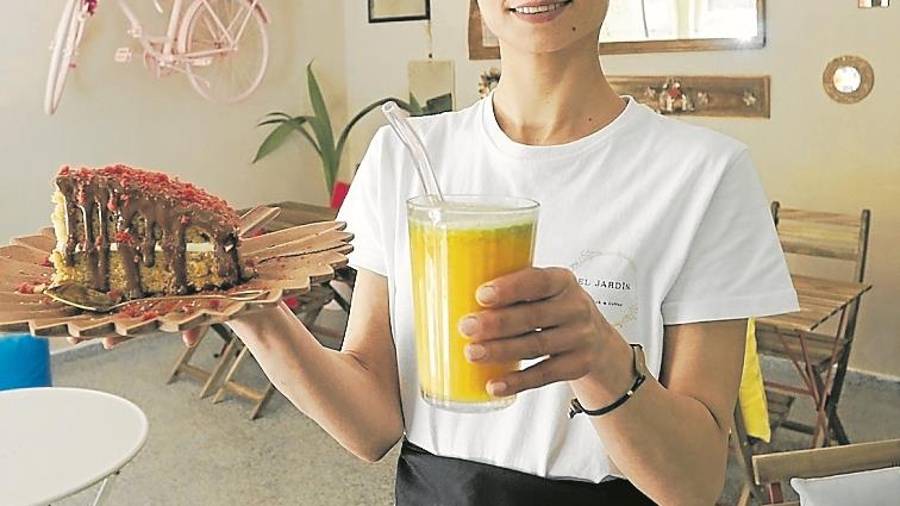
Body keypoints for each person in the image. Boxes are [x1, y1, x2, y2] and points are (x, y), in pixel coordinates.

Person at [94, 1, 798, 503]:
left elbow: (696, 484)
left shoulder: (706, 174)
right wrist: (256, 314)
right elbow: (373, 425)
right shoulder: (407, 154)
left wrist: (605, 363)